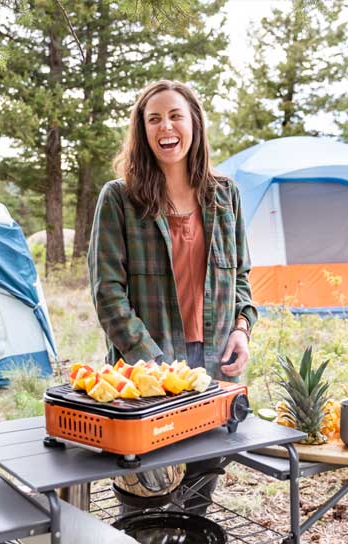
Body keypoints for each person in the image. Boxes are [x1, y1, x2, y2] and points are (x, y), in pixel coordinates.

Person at [88, 79, 257, 512]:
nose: (167, 126)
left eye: (176, 115)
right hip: (146, 374)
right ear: (142, 131)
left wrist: (241, 329)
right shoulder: (119, 198)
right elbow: (108, 293)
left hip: (213, 373)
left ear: (194, 124)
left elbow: (241, 277)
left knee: (199, 494)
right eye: (154, 118)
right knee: (144, 498)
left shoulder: (226, 196)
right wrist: (153, 365)